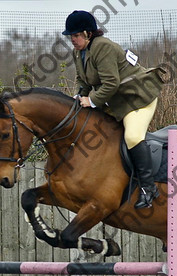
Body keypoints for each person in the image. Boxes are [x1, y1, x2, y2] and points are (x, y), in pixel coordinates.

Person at [63, 10, 165, 209]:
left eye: (75, 35)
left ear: (88, 33)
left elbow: (111, 83)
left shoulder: (103, 47)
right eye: (71, 36)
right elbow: (82, 80)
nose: (72, 40)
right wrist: (79, 96)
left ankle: (148, 188)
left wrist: (91, 100)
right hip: (116, 102)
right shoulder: (79, 52)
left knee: (133, 137)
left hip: (138, 99)